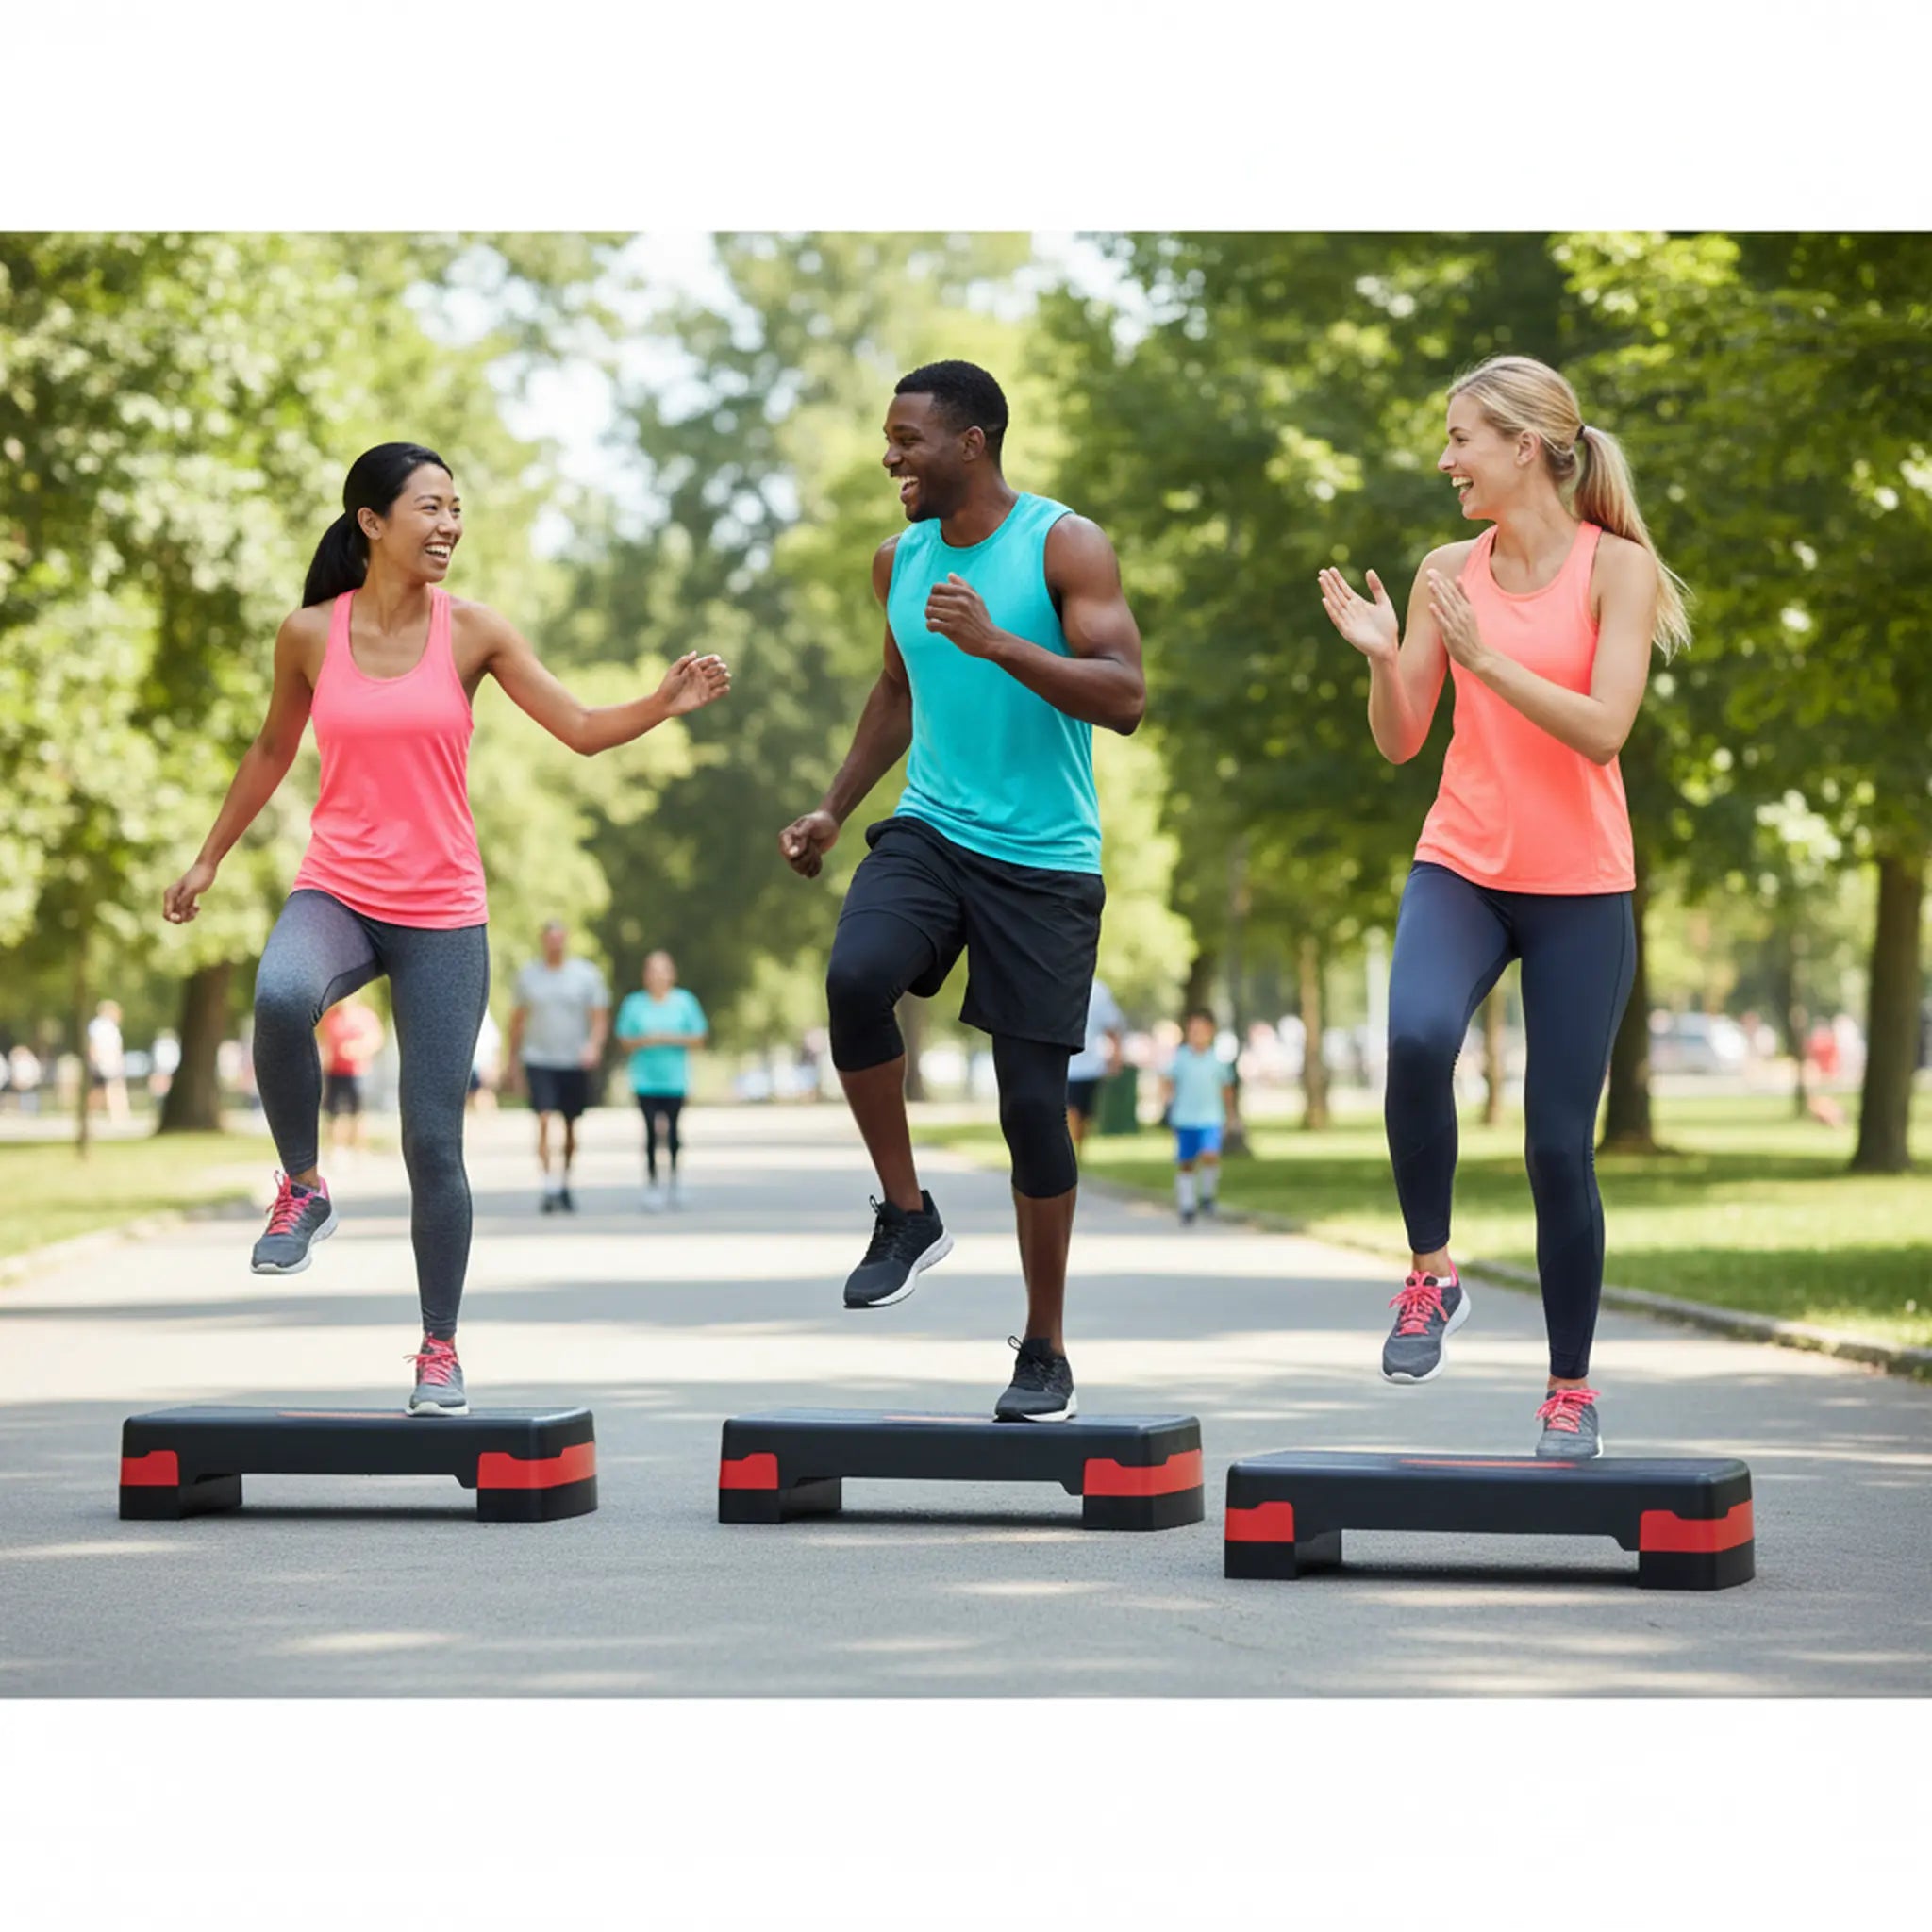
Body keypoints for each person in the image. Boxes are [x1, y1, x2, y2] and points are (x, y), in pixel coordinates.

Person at [163, 441, 729, 1415]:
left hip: (441, 912)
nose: (449, 525)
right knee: (281, 992)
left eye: (455, 508)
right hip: (336, 888)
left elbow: (581, 727)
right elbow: (270, 748)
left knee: (433, 1142)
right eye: (429, 507)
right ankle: (302, 1183)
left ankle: (437, 1347)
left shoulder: (473, 632)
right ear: (371, 523)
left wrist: (662, 703)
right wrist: (211, 854)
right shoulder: (308, 634)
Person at [1317, 354, 1690, 1458]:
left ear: (1524, 445)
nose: (1444, 460)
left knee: (1552, 1148)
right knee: (1416, 1034)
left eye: (1460, 440)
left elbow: (1602, 728)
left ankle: (1568, 1387)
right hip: (1463, 863)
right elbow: (1399, 742)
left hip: (1580, 884)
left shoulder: (1613, 569)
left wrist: (1484, 656)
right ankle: (1431, 1272)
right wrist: (1390, 661)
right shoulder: (1444, 568)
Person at [779, 360, 1146, 1424]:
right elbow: (895, 690)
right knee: (856, 976)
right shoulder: (896, 557)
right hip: (932, 830)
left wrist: (998, 640)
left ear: (971, 442)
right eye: (887, 436)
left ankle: (1044, 1346)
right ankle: (905, 1211)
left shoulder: (1062, 543)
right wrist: (835, 808)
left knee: (1031, 1109)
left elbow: (1125, 696)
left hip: (1045, 858)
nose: (889, 454)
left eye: (908, 437)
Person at [508, 921, 610, 1215]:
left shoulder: (585, 975)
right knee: (542, 1117)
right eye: (550, 939)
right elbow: (517, 1021)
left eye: (560, 939)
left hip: (573, 1059)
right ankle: (548, 1184)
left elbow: (599, 1017)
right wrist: (512, 1062)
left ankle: (565, 1179)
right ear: (543, 942)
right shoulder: (529, 976)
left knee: (569, 1124)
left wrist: (594, 1045)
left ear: (566, 941)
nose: (555, 944)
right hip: (538, 1057)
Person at [613, 949, 708, 1210]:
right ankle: (653, 1183)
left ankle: (676, 1180)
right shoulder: (634, 1004)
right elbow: (623, 1039)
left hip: (675, 1080)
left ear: (672, 974)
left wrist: (668, 1038)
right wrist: (645, 1040)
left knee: (674, 1131)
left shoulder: (684, 1002)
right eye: (652, 971)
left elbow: (699, 1038)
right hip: (645, 1079)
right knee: (650, 1132)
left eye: (663, 970)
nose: (657, 976)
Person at [1163, 1008, 1235, 1224]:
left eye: (1202, 1030)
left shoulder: (1217, 1060)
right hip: (1185, 1117)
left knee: (1210, 1155)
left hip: (1211, 1117)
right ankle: (1187, 1203)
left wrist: (1230, 1114)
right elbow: (1168, 1080)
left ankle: (1207, 1195)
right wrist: (1167, 1103)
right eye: (1193, 1030)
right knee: (1186, 1160)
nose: (1198, 1035)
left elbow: (1226, 1088)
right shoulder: (1181, 1057)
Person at [316, 994, 384, 1155]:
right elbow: (324, 1041)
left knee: (356, 1112)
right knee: (333, 1111)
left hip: (357, 1071)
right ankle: (335, 1149)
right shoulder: (331, 1016)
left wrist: (358, 1048)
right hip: (334, 1070)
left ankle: (358, 1149)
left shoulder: (365, 1016)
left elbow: (376, 1039)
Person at [1066, 974, 1125, 1151]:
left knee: (1084, 1115)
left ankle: (1077, 1151)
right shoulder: (1055, 981)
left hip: (1090, 1065)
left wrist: (1116, 1058)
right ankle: (1067, 1152)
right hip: (1064, 1064)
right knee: (1069, 1111)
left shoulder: (1098, 990)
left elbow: (1112, 1027)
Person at [87, 1000, 130, 1124]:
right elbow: (94, 1045)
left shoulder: (113, 1027)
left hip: (112, 1063)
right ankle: (91, 1115)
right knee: (99, 1089)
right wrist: (95, 1059)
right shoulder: (98, 1026)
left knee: (115, 1087)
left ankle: (118, 1114)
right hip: (102, 1062)